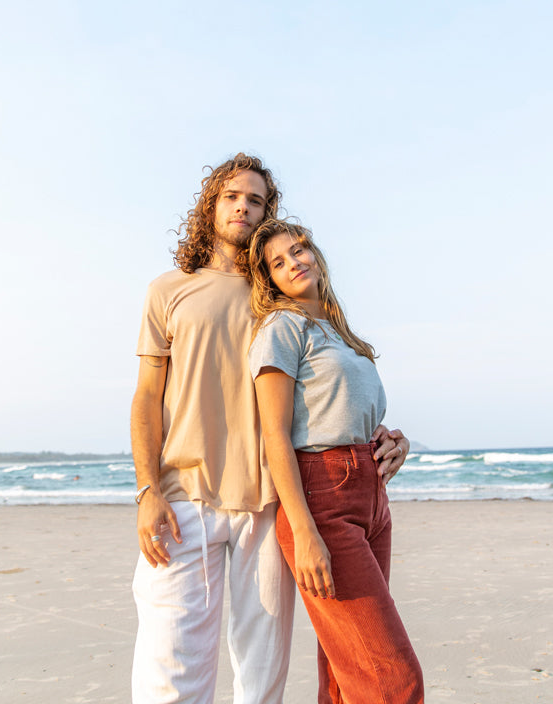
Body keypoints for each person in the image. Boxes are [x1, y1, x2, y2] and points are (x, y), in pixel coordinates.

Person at [131, 154, 410, 704]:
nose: (243, 205)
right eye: (233, 195)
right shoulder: (169, 290)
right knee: (169, 673)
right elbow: (146, 395)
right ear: (211, 205)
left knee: (263, 680)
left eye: (255, 199)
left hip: (270, 501)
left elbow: (322, 389)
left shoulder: (281, 301)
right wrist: (146, 489)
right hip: (185, 497)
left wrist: (380, 435)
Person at [247, 219, 423, 704]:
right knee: (393, 680)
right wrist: (304, 532)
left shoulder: (341, 335)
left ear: (317, 256)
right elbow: (276, 436)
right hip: (322, 501)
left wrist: (390, 442)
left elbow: (345, 413)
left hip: (371, 497)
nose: (294, 263)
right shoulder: (282, 328)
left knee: (348, 674)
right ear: (271, 281)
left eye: (298, 250)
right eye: (278, 263)